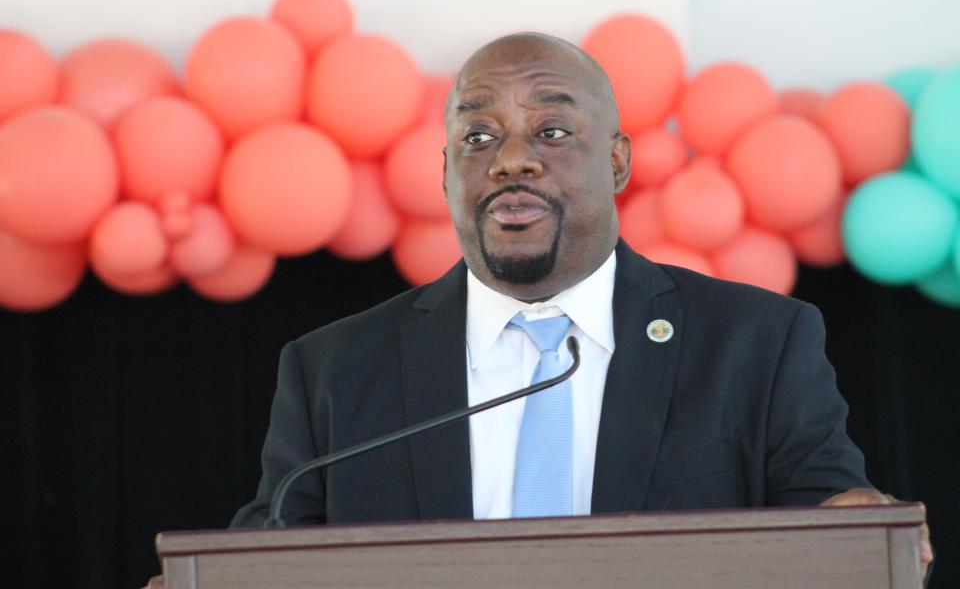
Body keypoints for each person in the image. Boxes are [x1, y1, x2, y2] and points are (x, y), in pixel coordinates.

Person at [145, 32, 932, 588]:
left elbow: (831, 523)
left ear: (617, 161)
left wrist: (860, 522)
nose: (512, 158)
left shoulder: (759, 342)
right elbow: (271, 552)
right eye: (478, 136)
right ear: (445, 171)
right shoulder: (334, 368)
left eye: (552, 129)